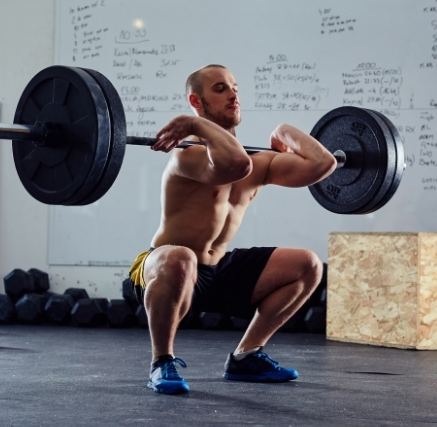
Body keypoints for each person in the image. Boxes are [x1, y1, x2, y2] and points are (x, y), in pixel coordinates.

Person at [129, 64, 337, 394]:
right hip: (168, 269)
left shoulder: (260, 162)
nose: (233, 93)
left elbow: (323, 165)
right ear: (196, 101)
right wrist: (196, 126)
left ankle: (246, 356)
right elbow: (233, 165)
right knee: (180, 258)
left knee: (307, 265)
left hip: (217, 270)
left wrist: (284, 131)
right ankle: (161, 362)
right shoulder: (188, 156)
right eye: (220, 88)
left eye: (234, 87)